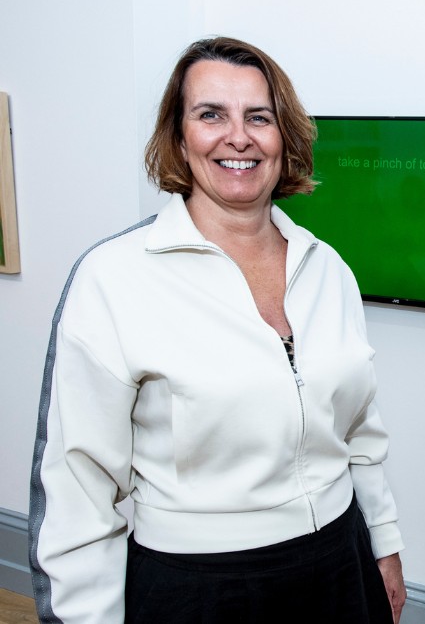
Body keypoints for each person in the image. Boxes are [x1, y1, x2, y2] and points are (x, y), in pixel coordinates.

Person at [28, 37, 405, 623]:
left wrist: (383, 545)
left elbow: (359, 431)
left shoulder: (327, 268)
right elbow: (77, 485)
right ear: (179, 138)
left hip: (339, 563)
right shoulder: (114, 277)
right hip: (198, 588)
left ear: (286, 137)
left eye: (260, 117)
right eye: (211, 115)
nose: (239, 137)